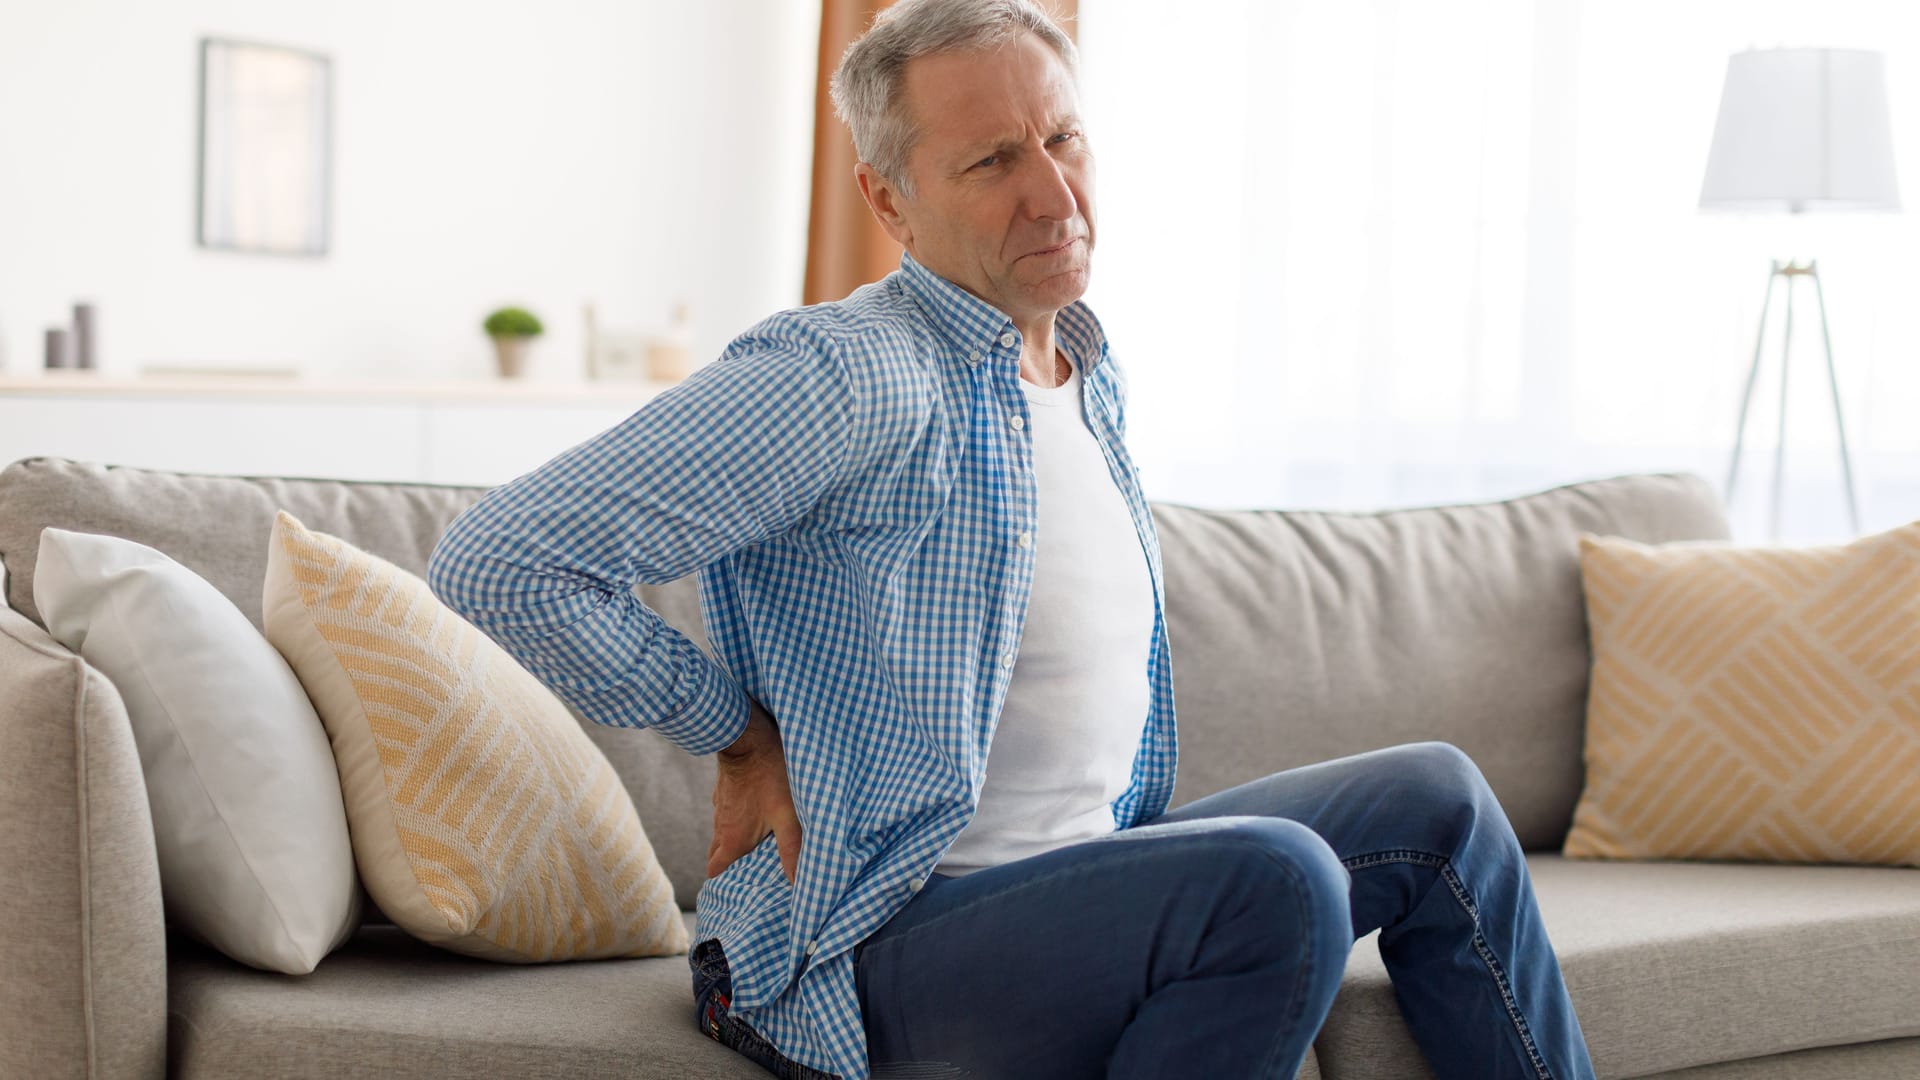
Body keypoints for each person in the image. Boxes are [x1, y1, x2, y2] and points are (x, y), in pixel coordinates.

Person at [425, 1, 1600, 1077]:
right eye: (991, 160)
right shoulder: (847, 376)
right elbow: (502, 559)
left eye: (1065, 140)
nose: (1054, 195)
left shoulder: (1082, 362)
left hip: (1062, 886)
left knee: (1439, 798)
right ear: (890, 201)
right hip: (871, 934)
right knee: (1275, 882)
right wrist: (736, 735)